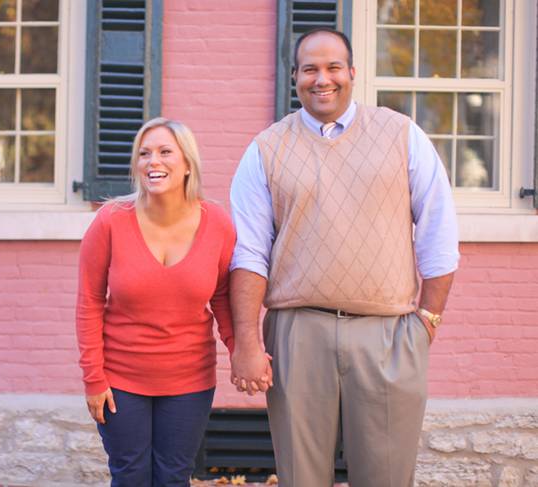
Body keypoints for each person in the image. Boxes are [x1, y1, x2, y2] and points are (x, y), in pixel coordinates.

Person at [228, 28, 459, 487]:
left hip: (389, 332)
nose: (322, 79)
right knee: (301, 476)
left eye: (333, 67)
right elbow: (249, 252)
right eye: (310, 68)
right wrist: (248, 343)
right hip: (297, 332)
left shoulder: (400, 135)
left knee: (387, 476)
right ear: (294, 76)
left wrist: (428, 318)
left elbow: (439, 231)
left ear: (352, 73)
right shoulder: (266, 150)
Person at [75, 117, 236, 486]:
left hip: (189, 381)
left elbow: (224, 297)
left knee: (172, 477)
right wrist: (93, 378)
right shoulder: (110, 221)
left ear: (187, 165)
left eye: (165, 152)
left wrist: (240, 349)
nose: (153, 161)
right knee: (130, 475)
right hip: (121, 381)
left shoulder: (218, 224)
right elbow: (89, 302)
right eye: (144, 154)